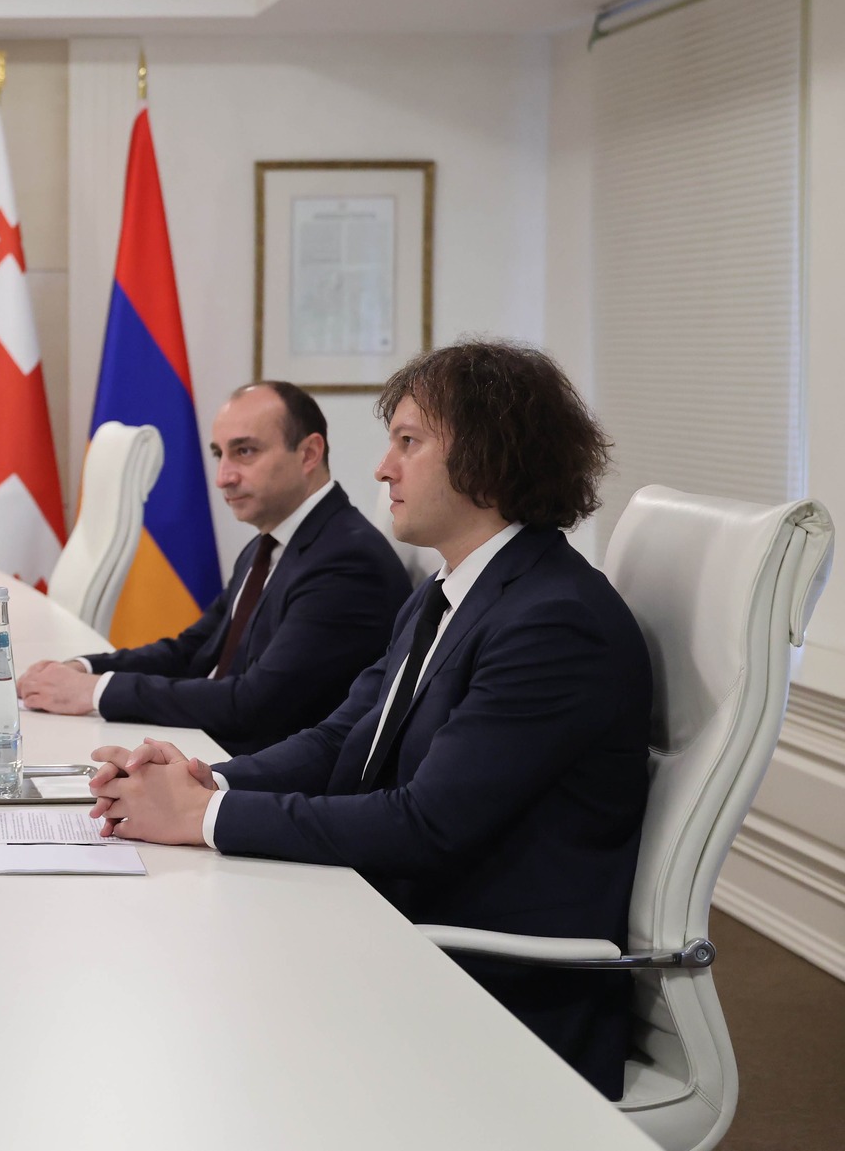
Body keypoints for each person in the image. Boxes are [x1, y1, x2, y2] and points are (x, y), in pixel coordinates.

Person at [87, 341, 650, 1097]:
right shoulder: (449, 591)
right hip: (395, 926)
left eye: (408, 442)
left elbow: (424, 824)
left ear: (489, 458)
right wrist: (203, 779)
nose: (383, 468)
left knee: (181, 1020)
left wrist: (204, 816)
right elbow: (340, 740)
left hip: (494, 991)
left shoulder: (553, 622)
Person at [18, 381, 411, 754]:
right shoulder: (270, 543)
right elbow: (192, 651)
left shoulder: (347, 561)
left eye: (245, 451)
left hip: (266, 777)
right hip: (219, 748)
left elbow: (254, 705)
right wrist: (83, 669)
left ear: (308, 453)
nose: (224, 477)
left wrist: (94, 692)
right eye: (219, 454)